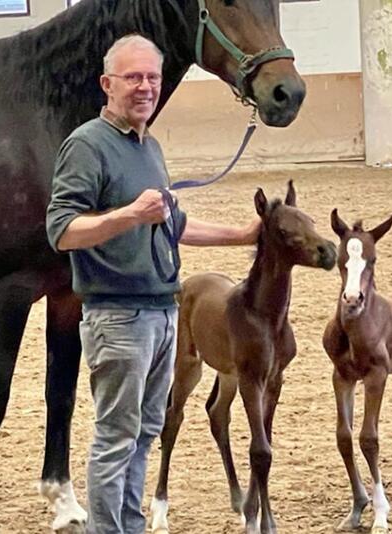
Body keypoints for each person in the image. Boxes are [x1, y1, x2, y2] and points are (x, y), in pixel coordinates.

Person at [45, 35, 261, 534]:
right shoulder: (86, 145)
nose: (145, 87)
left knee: (144, 432)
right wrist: (128, 215)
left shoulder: (149, 146)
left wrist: (243, 235)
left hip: (164, 312)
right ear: (107, 84)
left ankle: (129, 526)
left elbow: (172, 222)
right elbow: (61, 230)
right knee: (116, 438)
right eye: (133, 78)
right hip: (117, 317)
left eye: (152, 78)